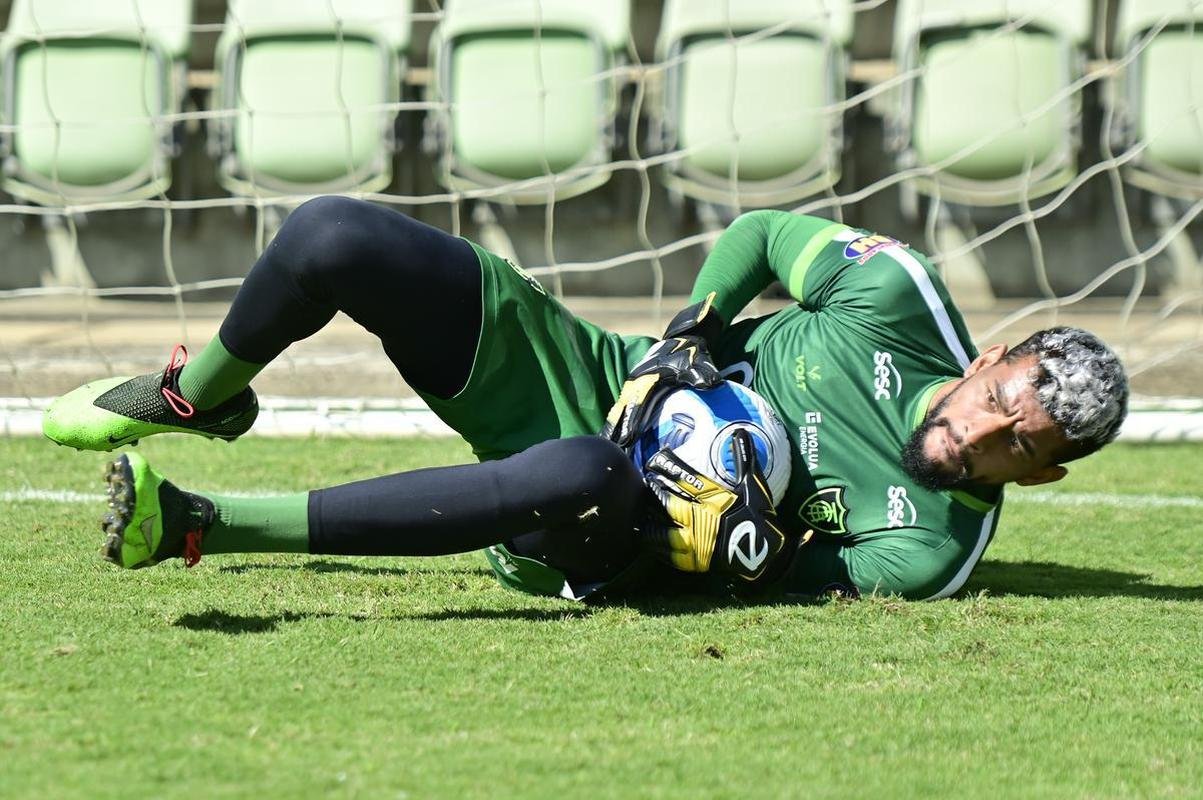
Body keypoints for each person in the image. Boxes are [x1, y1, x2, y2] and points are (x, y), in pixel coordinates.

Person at [43, 197, 1129, 601]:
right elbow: (755, 237)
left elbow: (779, 583)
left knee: (582, 469)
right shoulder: (895, 291)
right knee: (334, 237)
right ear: (992, 354)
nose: (976, 432)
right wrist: (688, 338)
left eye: (1010, 445)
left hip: (623, 522)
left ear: (1043, 472)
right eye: (997, 397)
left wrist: (742, 543)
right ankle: (197, 394)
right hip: (599, 372)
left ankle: (197, 523)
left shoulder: (931, 548)